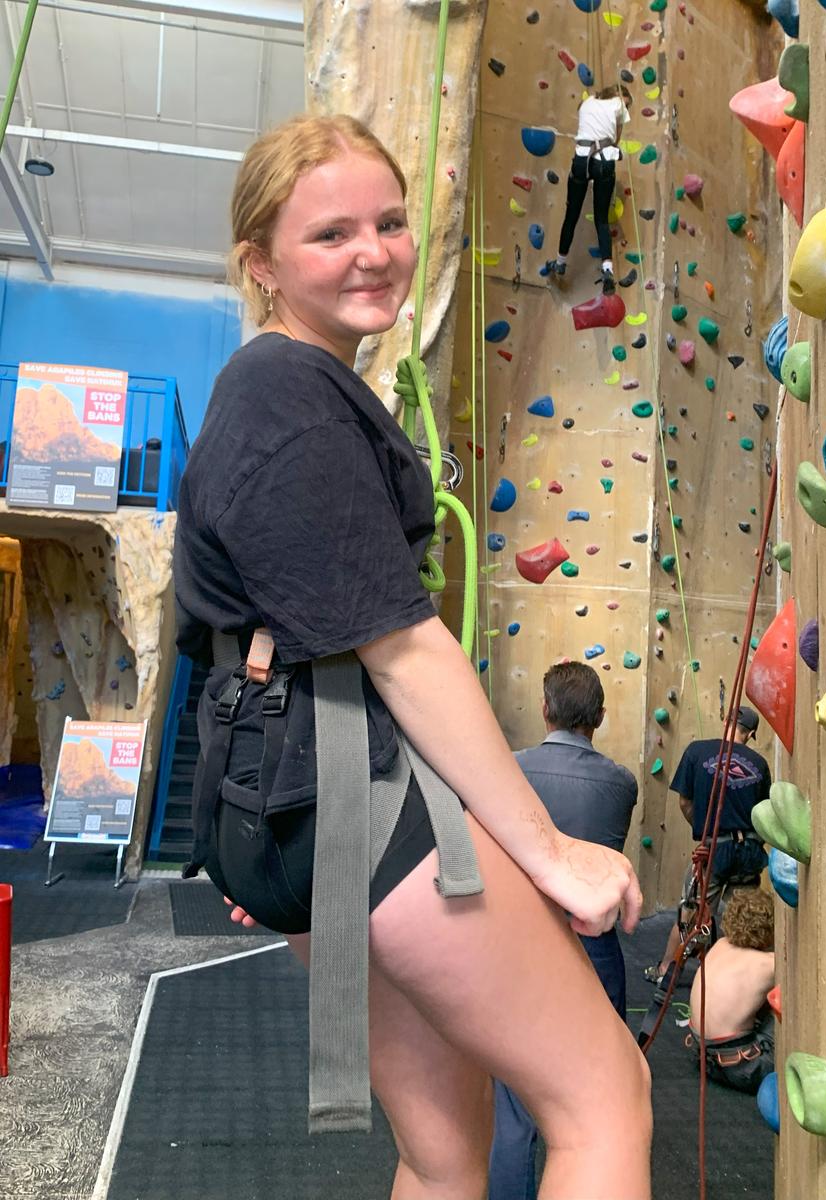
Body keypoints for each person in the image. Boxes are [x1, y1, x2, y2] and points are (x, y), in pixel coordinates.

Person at [173, 114, 651, 1200]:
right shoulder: (289, 395)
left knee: (444, 1152)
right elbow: (402, 651)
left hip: (302, 803)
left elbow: (232, 631)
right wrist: (550, 854)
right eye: (330, 234)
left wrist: (257, 817)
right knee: (603, 1100)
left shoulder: (276, 392)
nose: (374, 252)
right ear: (260, 265)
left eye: (388, 223)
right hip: (347, 796)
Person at [488, 661, 638, 1200]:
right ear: (599, 717)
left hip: (518, 953)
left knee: (514, 1109)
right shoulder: (621, 783)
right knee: (596, 1104)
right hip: (594, 957)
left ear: (545, 708)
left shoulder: (510, 772)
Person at [645, 706, 771, 984]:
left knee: (692, 912)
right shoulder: (760, 764)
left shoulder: (697, 752)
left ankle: (666, 970)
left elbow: (684, 802)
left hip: (714, 849)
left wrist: (705, 831)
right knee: (743, 917)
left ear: (725, 721)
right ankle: (737, 980)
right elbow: (764, 816)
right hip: (749, 852)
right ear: (750, 734)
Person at [541, 85, 633, 293]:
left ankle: (560, 262)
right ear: (620, 96)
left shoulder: (586, 102)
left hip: (582, 159)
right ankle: (607, 271)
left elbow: (584, 117)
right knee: (601, 218)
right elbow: (616, 140)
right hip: (604, 161)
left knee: (571, 215)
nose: (626, 107)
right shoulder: (619, 105)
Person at [685, 887, 775, 1095]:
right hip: (742, 1068)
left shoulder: (719, 945)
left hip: (701, 1057)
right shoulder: (769, 965)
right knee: (783, 1000)